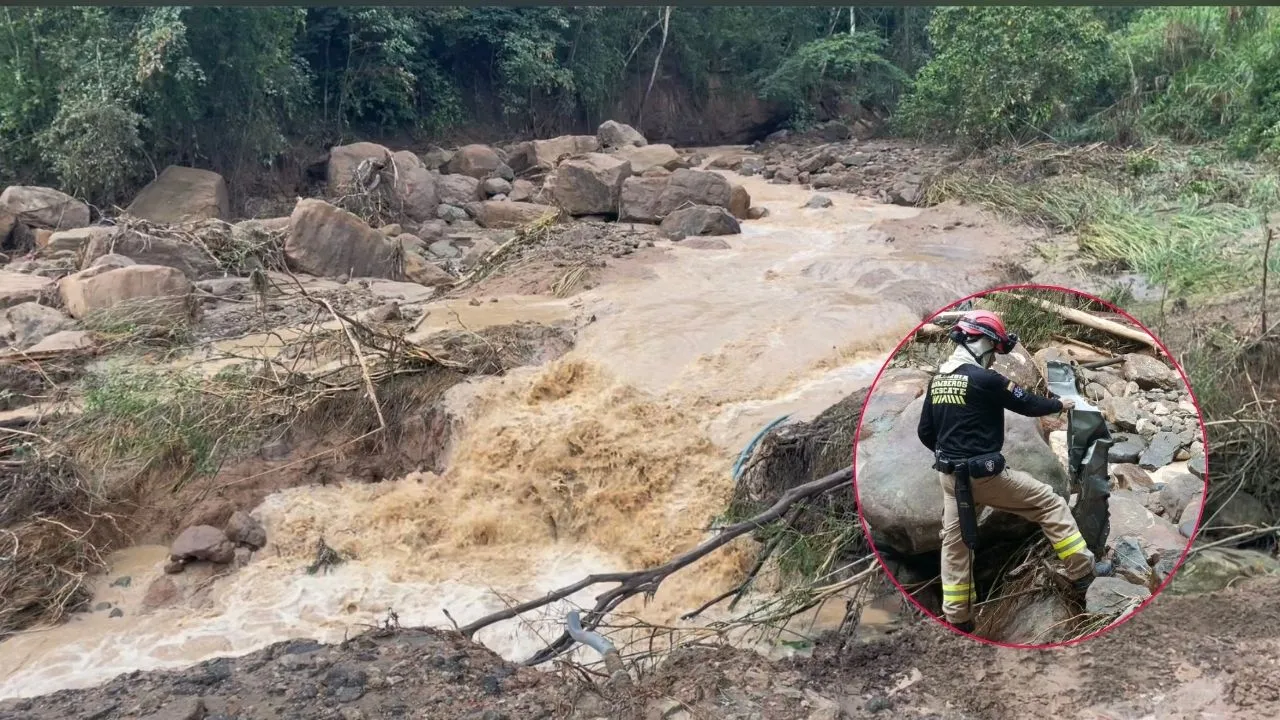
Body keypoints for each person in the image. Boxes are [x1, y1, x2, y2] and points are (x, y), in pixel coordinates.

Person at [916, 309, 1096, 634]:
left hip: (950, 478)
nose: (994, 358)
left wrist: (953, 455)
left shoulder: (938, 381)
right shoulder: (985, 380)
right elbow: (1026, 403)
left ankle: (959, 619)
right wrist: (1060, 405)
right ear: (980, 341)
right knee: (1049, 502)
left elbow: (926, 434)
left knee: (956, 546)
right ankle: (1082, 573)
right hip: (984, 477)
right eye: (995, 350)